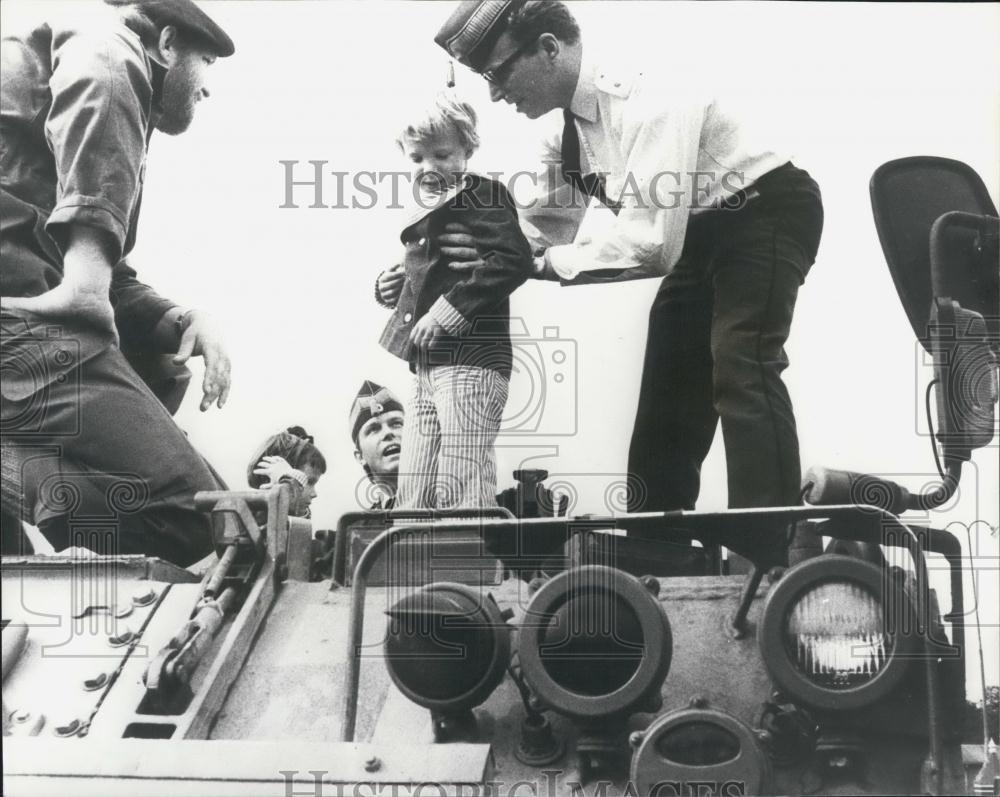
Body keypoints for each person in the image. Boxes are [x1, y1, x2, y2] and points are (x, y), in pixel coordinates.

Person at [434, 1, 824, 559]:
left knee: (740, 363)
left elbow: (652, 243)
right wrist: (456, 258)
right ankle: (657, 552)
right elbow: (541, 228)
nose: (495, 94)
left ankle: (767, 553)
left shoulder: (647, 95)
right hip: (701, 233)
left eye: (498, 74)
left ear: (549, 47)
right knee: (669, 386)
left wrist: (538, 264)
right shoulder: (566, 136)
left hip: (764, 211)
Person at [0, 0, 235, 565]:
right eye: (206, 63)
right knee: (198, 519)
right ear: (168, 44)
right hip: (18, 326)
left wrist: (177, 319)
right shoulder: (108, 41)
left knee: (95, 504)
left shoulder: (44, 93)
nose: (207, 90)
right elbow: (101, 66)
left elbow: (61, 249)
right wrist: (86, 279)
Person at [374, 90, 534, 510]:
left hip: (471, 360)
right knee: (414, 488)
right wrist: (389, 286)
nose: (429, 167)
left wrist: (446, 313)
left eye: (442, 154)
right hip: (427, 365)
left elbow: (513, 260)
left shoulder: (485, 194)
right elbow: (429, 270)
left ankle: (475, 571)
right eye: (416, 159)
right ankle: (409, 565)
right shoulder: (428, 205)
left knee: (460, 483)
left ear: (468, 147)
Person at [247, 427, 327, 519]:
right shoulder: (253, 514)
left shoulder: (289, 516)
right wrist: (288, 481)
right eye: (307, 481)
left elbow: (299, 518)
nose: (314, 494)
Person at [349, 381, 405, 511]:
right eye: (373, 429)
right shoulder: (360, 528)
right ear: (360, 456)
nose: (388, 433)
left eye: (396, 423)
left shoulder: (448, 502)